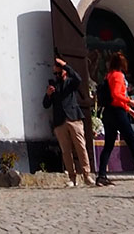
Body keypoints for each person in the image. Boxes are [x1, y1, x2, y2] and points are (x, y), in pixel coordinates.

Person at [94, 52, 134, 186]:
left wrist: (129, 110)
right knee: (132, 142)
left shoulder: (109, 75)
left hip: (109, 113)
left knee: (108, 145)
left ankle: (101, 175)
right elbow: (116, 95)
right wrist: (129, 102)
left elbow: (112, 98)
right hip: (118, 113)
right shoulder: (118, 75)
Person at [42, 58, 92, 187]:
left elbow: (79, 79)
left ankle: (87, 175)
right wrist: (48, 95)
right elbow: (46, 105)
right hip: (60, 121)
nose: (57, 76)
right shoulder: (53, 85)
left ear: (64, 72)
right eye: (55, 74)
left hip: (74, 118)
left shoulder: (71, 83)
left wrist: (66, 65)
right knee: (66, 151)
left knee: (81, 147)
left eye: (59, 73)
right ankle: (72, 177)